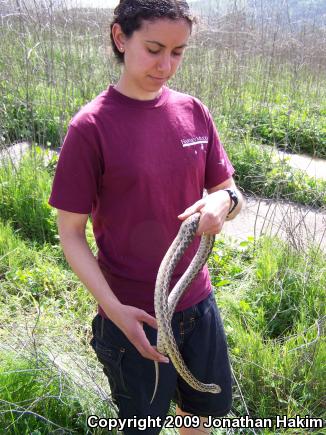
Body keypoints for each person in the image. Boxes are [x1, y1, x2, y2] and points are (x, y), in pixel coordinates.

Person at [49, 1, 244, 433]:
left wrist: (222, 203)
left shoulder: (194, 111)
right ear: (121, 37)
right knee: (143, 425)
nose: (166, 65)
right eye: (154, 48)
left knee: (204, 415)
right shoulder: (90, 127)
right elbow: (70, 234)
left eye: (178, 52)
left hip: (197, 305)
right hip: (131, 318)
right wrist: (115, 312)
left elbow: (229, 190)